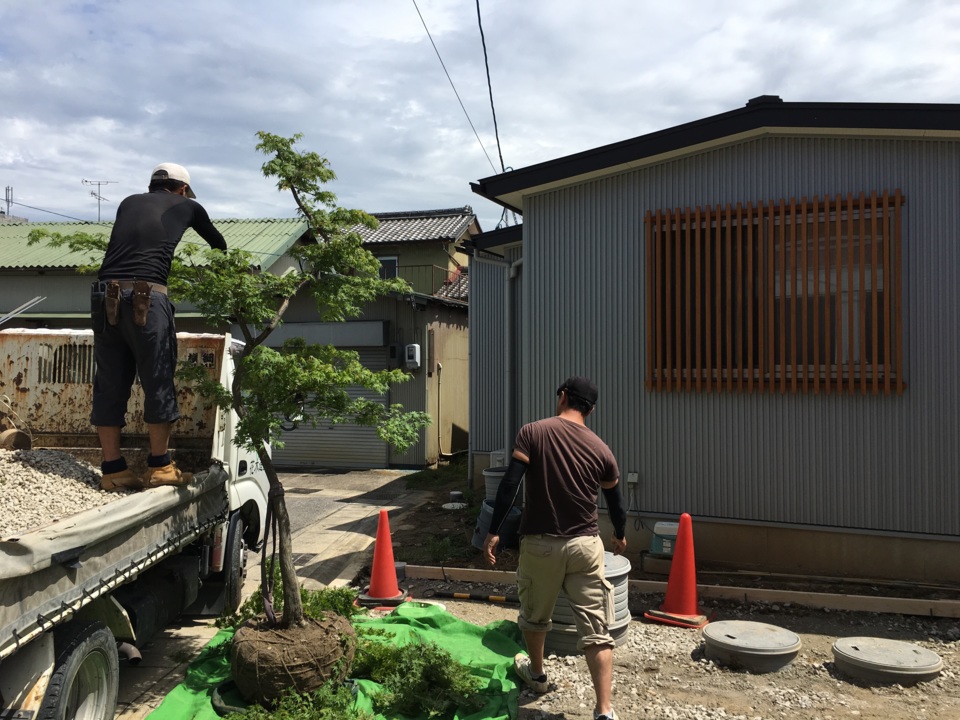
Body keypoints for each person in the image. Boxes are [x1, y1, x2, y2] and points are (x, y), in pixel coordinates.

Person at [484, 376, 627, 720]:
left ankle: (537, 675)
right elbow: (616, 502)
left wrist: (495, 531)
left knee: (534, 616)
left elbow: (510, 485)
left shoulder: (533, 432)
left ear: (562, 397)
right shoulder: (601, 449)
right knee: (597, 631)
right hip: (586, 546)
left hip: (541, 544)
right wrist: (619, 535)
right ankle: (605, 711)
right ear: (590, 409)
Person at [92, 163, 227, 492]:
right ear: (182, 189)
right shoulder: (189, 206)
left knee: (110, 381)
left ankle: (112, 470)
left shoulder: (128, 201)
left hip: (104, 296)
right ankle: (160, 467)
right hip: (147, 299)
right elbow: (218, 243)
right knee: (158, 379)